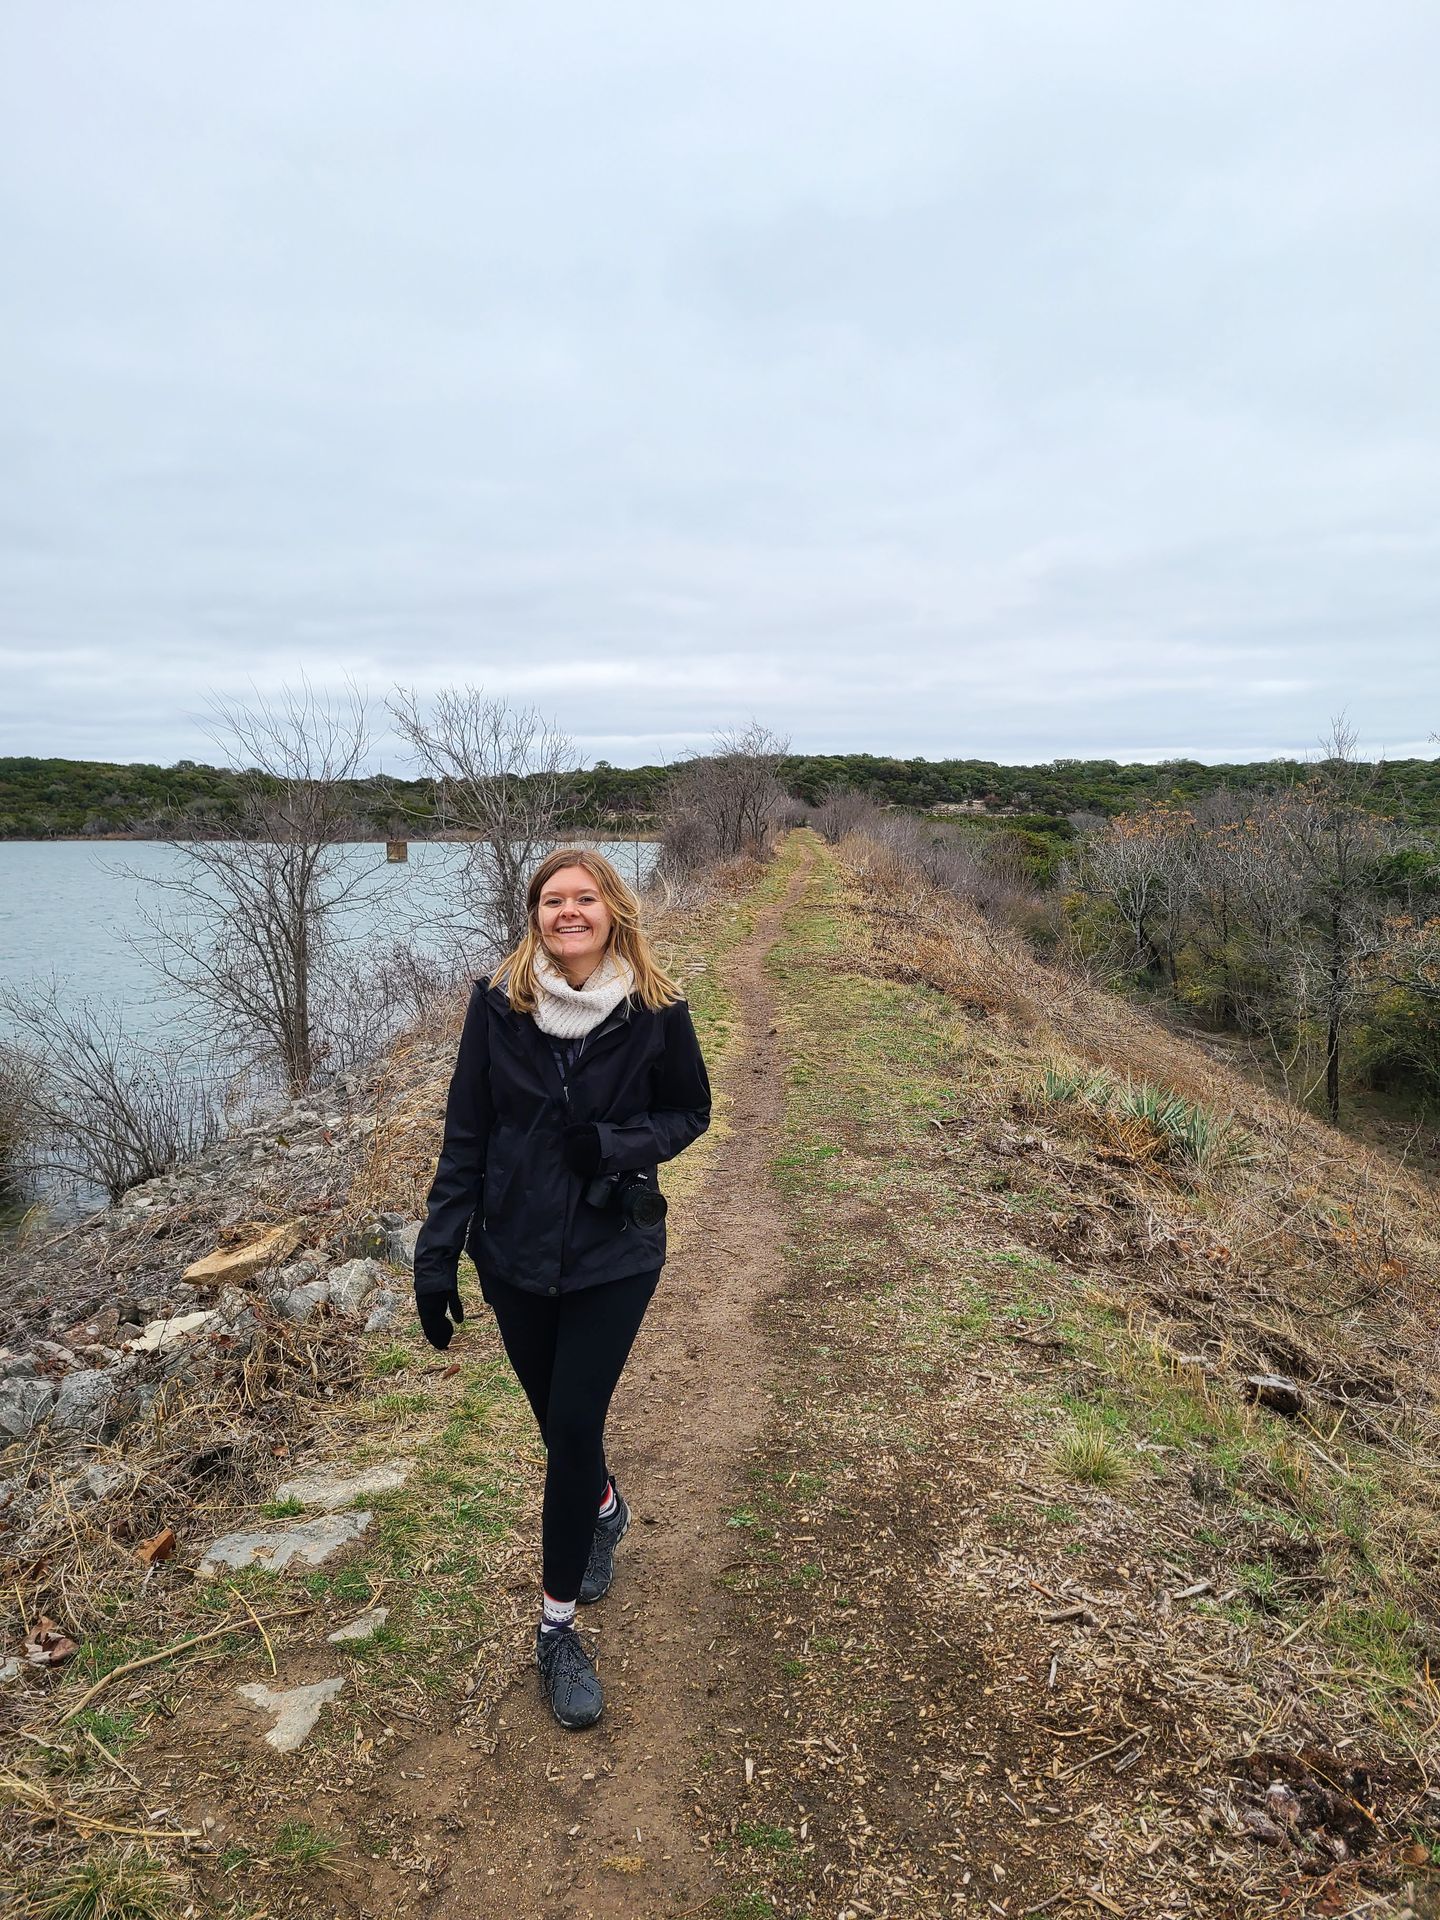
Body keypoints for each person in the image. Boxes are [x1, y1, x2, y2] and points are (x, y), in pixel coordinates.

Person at [412, 847, 711, 1730]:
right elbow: (465, 1136)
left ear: (613, 910)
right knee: (557, 1424)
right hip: (513, 1254)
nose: (568, 912)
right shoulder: (497, 1007)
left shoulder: (657, 1011)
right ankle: (605, 1506)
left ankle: (556, 1631)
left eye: (585, 898)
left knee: (573, 1426)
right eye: (552, 899)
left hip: (615, 1254)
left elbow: (690, 1111)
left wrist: (615, 1148)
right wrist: (438, 1257)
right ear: (534, 914)